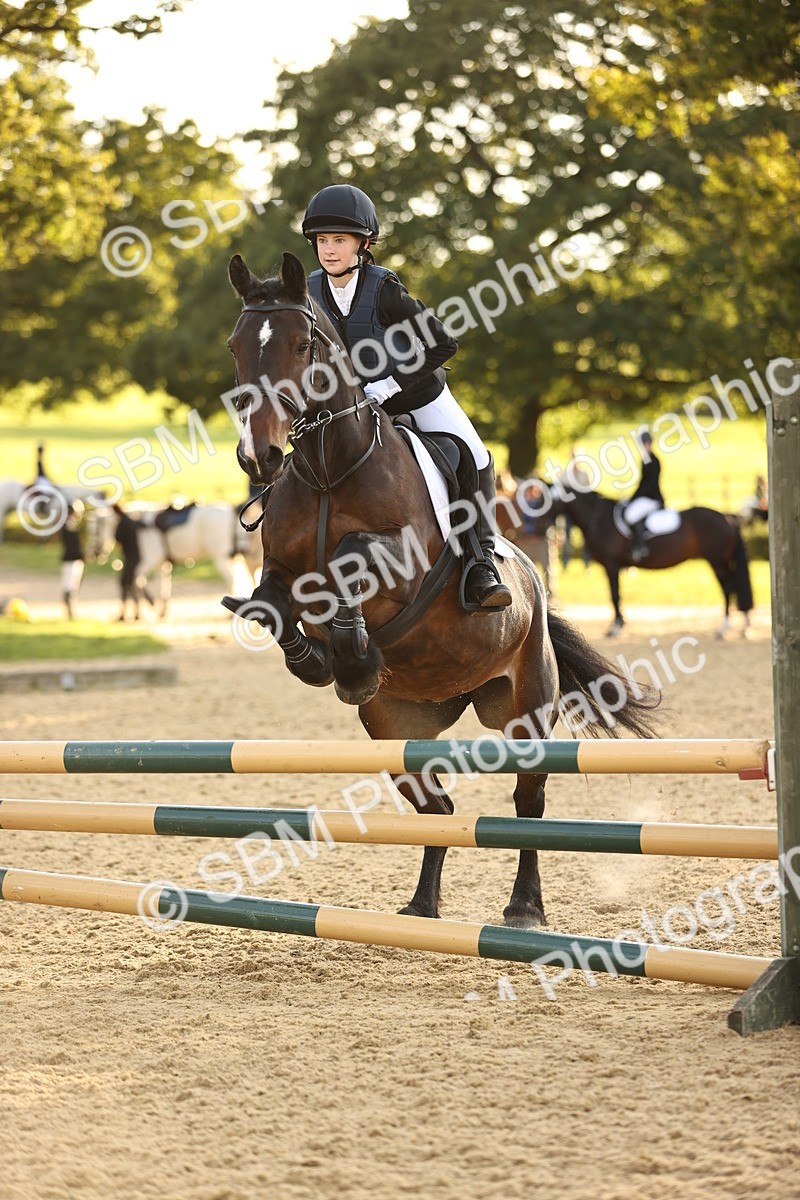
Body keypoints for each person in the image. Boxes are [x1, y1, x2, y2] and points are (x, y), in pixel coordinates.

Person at [301, 183, 511, 611]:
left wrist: (389, 384)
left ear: (363, 244)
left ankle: (481, 562)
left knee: (474, 455)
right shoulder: (309, 291)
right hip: (352, 410)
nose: (329, 250)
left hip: (415, 395)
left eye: (339, 240)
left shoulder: (384, 288)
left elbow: (442, 344)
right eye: (322, 240)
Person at [624, 431, 664, 562]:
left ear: (648, 444)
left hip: (652, 498)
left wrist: (633, 499)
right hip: (645, 497)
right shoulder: (645, 460)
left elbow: (648, 485)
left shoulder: (653, 461)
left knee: (631, 515)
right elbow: (642, 484)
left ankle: (641, 546)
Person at [60, 501, 85, 620]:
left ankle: (71, 611)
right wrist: (81, 554)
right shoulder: (68, 524)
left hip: (73, 558)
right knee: (70, 586)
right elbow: (72, 545)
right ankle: (70, 612)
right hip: (72, 558)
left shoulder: (69, 524)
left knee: (73, 586)